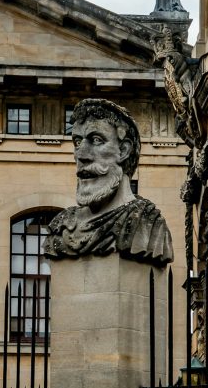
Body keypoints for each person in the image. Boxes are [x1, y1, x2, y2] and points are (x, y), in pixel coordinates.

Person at [44, 98, 174, 267]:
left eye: (96, 140)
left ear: (124, 150)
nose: (81, 155)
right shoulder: (61, 226)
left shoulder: (149, 224)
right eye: (77, 142)